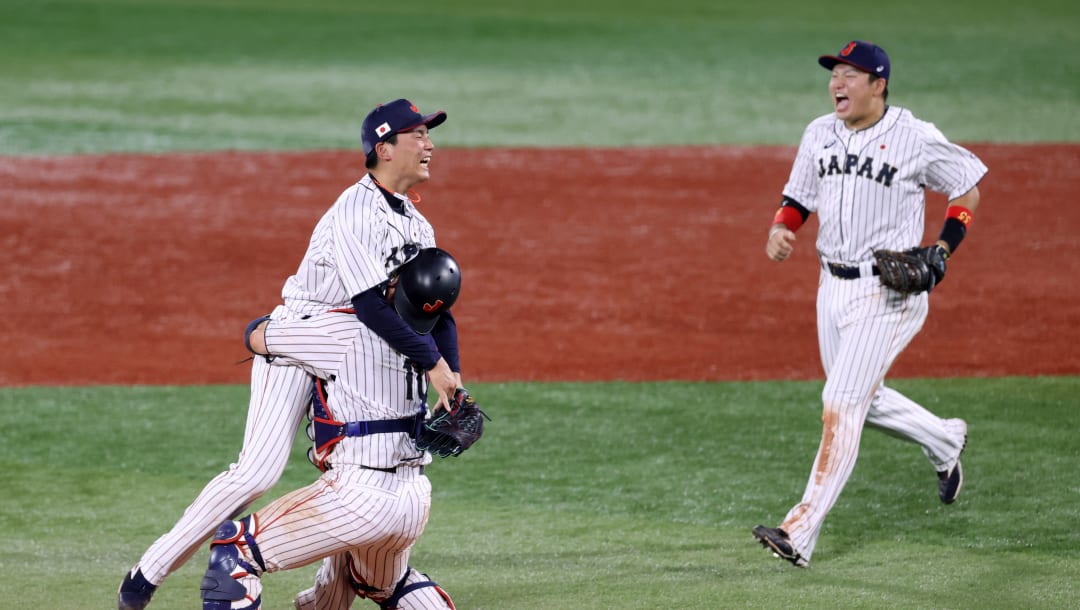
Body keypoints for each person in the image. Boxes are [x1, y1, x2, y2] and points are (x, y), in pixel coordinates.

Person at [118, 98, 461, 609]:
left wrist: (454, 377)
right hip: (301, 339)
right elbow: (369, 306)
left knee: (347, 470)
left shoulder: (417, 225)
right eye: (418, 135)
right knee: (256, 474)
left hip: (352, 349)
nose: (429, 144)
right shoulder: (355, 209)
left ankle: (328, 593)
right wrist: (432, 365)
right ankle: (148, 573)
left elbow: (436, 310)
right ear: (384, 148)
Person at [752, 40, 987, 567]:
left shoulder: (913, 137)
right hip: (830, 288)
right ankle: (945, 441)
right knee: (862, 399)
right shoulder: (818, 132)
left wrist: (945, 247)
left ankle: (799, 531)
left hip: (890, 292)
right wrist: (779, 229)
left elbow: (968, 185)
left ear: (878, 84)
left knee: (840, 403)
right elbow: (797, 198)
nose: (837, 82)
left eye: (850, 75)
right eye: (834, 73)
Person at [200, 247, 463, 610]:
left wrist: (277, 320)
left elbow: (259, 338)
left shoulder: (345, 330)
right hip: (413, 500)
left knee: (236, 551)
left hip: (359, 497)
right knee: (387, 583)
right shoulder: (432, 350)